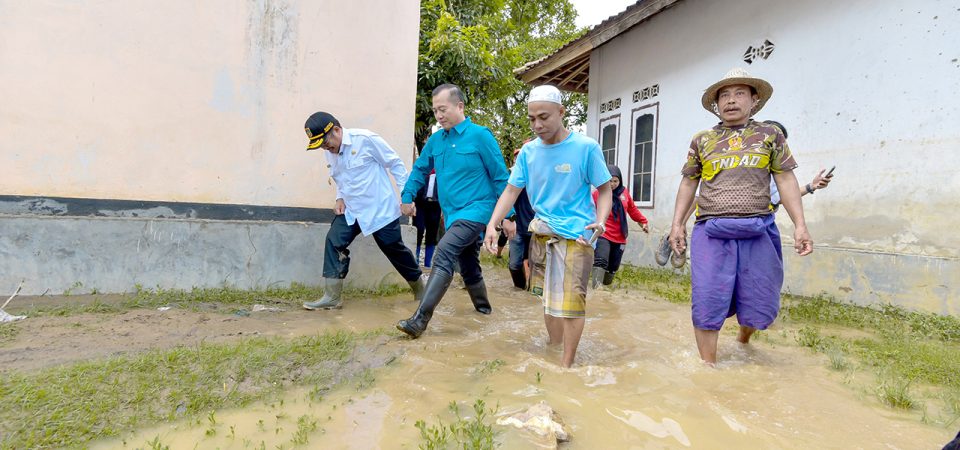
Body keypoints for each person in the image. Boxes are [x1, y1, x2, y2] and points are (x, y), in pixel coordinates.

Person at [668, 68, 813, 365]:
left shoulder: (769, 135)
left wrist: (800, 225)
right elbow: (688, 182)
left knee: (760, 298)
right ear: (716, 103)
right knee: (707, 299)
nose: (731, 101)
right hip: (711, 230)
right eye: (724, 95)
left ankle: (744, 339)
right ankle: (708, 367)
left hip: (759, 229)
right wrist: (677, 225)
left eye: (739, 94)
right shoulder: (703, 140)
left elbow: (785, 180)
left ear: (754, 100)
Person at [485, 85, 612, 368]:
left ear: (561, 112)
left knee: (571, 305)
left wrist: (600, 222)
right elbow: (510, 192)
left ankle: (566, 366)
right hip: (542, 234)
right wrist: (492, 224)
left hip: (578, 235)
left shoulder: (585, 147)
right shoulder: (528, 153)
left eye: (544, 117)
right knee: (548, 300)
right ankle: (553, 351)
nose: (537, 124)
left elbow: (604, 190)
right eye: (532, 119)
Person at [396, 84, 514, 338]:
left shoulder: (480, 136)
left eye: (443, 109)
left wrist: (508, 216)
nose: (438, 115)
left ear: (459, 106)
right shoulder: (436, 140)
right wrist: (407, 196)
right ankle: (484, 311)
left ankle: (419, 320)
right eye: (435, 110)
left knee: (444, 254)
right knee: (469, 265)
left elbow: (501, 178)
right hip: (451, 215)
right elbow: (419, 169)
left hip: (477, 211)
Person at [655, 120, 834, 268]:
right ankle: (676, 235)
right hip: (714, 223)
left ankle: (678, 235)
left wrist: (811, 187)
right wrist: (677, 224)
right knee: (702, 196)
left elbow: (783, 194)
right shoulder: (732, 154)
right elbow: (691, 184)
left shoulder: (772, 171)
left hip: (755, 224)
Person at [301, 112, 424, 310]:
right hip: (352, 210)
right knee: (334, 241)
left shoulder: (365, 140)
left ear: (337, 130)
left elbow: (396, 165)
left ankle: (421, 289)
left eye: (325, 143)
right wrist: (339, 198)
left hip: (379, 209)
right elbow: (340, 177)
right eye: (321, 146)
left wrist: (406, 197)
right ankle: (332, 297)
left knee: (393, 249)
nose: (325, 148)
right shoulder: (329, 151)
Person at [591, 164, 649, 288]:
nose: (612, 184)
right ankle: (596, 290)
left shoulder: (625, 194)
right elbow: (588, 210)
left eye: (615, 181)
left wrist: (643, 222)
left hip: (620, 236)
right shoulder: (598, 194)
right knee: (601, 260)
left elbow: (632, 210)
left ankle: (605, 290)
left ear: (620, 180)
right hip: (603, 233)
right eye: (609, 181)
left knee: (613, 267)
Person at [507, 146, 536, 290]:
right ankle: (519, 290)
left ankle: (531, 291)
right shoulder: (511, 177)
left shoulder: (539, 177)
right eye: (517, 157)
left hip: (536, 227)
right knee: (514, 264)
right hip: (516, 226)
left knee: (535, 263)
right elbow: (504, 199)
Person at [413, 169, 442, 268]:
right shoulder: (423, 169)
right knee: (418, 230)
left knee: (432, 234)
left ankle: (427, 264)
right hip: (420, 204)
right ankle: (415, 260)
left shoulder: (442, 170)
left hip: (435, 206)